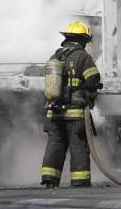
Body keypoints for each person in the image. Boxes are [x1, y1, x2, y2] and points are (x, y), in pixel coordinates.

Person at [40, 21, 101, 188]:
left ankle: (49, 179)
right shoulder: (83, 57)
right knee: (79, 146)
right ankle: (80, 180)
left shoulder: (56, 56)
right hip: (75, 114)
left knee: (55, 144)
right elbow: (94, 78)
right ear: (83, 40)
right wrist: (89, 91)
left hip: (54, 112)